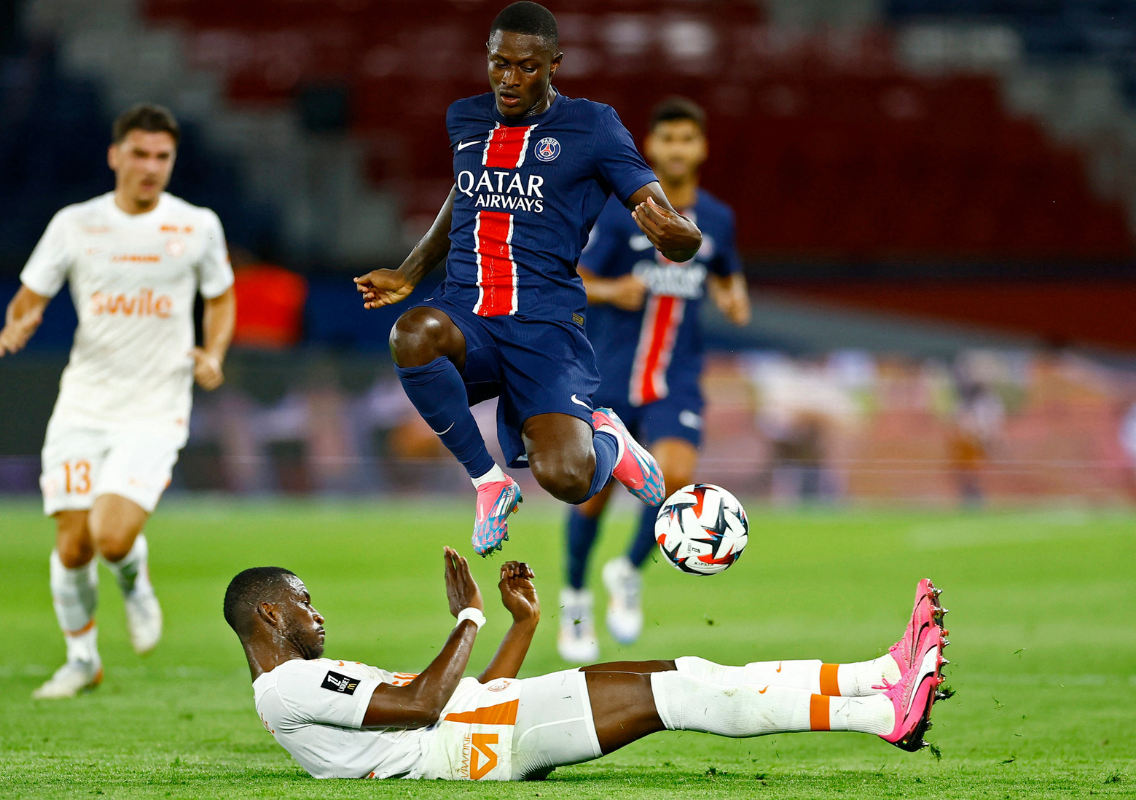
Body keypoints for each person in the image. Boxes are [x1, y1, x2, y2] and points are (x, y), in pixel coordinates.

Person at [354, 1, 704, 555]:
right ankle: (489, 482)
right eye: (499, 64)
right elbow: (463, 198)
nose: (509, 78)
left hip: (544, 325)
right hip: (470, 313)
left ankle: (607, 436)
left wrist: (683, 239)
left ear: (553, 65)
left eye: (526, 67)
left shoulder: (593, 126)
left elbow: (662, 213)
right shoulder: (465, 119)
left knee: (567, 479)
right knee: (412, 334)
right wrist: (409, 271)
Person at [224, 553, 949, 782]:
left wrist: (522, 624)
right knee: (683, 693)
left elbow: (450, 691)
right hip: (476, 747)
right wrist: (469, 617)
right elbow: (421, 708)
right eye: (303, 605)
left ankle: (876, 674)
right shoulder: (285, 685)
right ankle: (884, 713)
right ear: (268, 616)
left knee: (689, 667)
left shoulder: (294, 685)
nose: (317, 615)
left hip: (483, 721)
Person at [0, 104, 236, 698]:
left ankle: (134, 581)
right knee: (72, 543)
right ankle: (82, 661)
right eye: (140, 154)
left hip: (156, 406)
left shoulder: (196, 224)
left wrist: (213, 351)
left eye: (162, 157)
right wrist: (21, 323)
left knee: (111, 536)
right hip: (83, 402)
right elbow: (30, 296)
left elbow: (222, 297)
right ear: (115, 155)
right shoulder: (76, 224)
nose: (151, 167)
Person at [558, 97, 752, 661]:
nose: (676, 149)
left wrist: (733, 297)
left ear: (702, 148)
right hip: (609, 377)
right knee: (591, 500)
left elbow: (727, 273)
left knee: (674, 481)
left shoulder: (716, 218)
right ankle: (574, 599)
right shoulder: (621, 214)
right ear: (651, 147)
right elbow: (571, 276)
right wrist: (612, 290)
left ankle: (628, 570)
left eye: (686, 139)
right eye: (666, 139)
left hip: (676, 379)